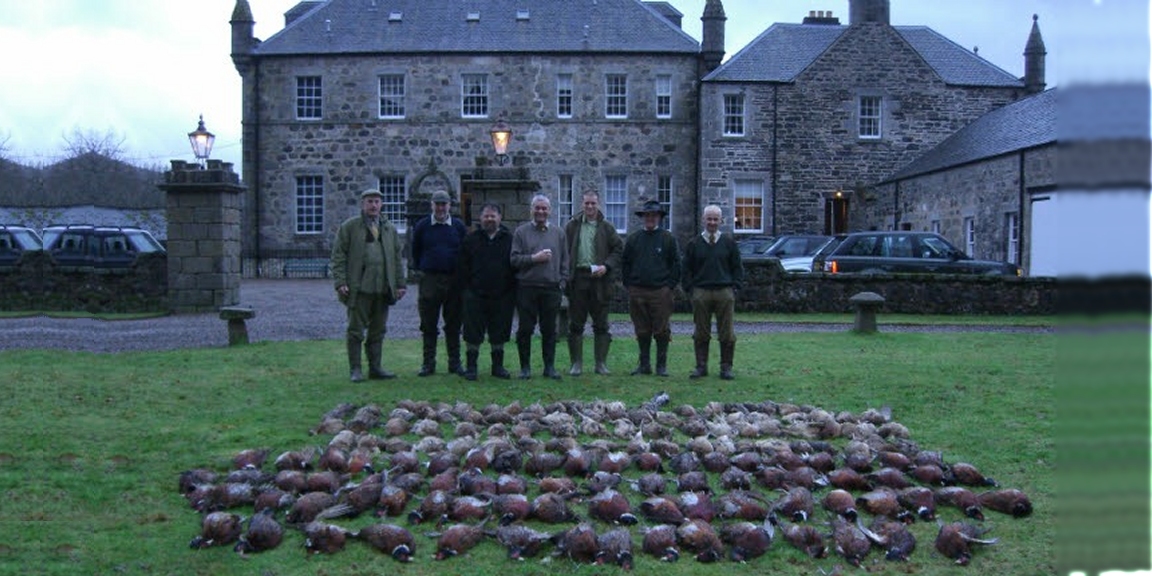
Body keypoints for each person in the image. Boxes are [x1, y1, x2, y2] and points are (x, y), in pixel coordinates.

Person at [331, 188, 407, 382]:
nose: (374, 205)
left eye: (377, 202)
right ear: (362, 204)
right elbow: (338, 256)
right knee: (355, 330)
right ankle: (355, 369)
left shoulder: (389, 229)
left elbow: (397, 258)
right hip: (359, 288)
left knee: (378, 330)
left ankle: (375, 368)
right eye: (370, 202)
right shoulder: (349, 227)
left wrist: (400, 283)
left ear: (381, 205)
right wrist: (340, 282)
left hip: (383, 288)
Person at [510, 194, 569, 380]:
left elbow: (565, 261)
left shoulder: (559, 233)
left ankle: (549, 367)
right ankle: (525, 368)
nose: (541, 211)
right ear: (532, 210)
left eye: (544, 208)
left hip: (551, 288)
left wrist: (562, 281)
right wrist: (534, 259)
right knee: (525, 329)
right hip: (527, 287)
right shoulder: (521, 232)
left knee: (549, 330)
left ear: (549, 211)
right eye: (537, 208)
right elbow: (514, 260)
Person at [564, 190, 624, 376]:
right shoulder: (572, 226)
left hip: (600, 281)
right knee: (576, 324)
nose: (590, 207)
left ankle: (600, 364)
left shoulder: (607, 227)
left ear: (598, 204)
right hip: (578, 279)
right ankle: (576, 364)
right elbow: (564, 251)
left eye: (593, 203)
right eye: (587, 203)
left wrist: (606, 267)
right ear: (582, 204)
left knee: (601, 324)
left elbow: (618, 250)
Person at [410, 189, 468, 377]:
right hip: (430, 279)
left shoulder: (458, 227)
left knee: (453, 324)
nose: (441, 208)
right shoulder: (422, 226)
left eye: (444, 204)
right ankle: (428, 363)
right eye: (438, 204)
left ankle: (455, 363)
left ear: (450, 206)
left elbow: (465, 252)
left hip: (454, 280)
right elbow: (415, 251)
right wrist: (425, 268)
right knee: (428, 324)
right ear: (432, 205)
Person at [682, 204, 744, 380]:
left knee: (727, 332)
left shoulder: (729, 243)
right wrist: (690, 289)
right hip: (701, 292)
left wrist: (735, 288)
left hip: (724, 292)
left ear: (721, 221)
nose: (712, 222)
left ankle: (726, 368)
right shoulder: (694, 244)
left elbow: (737, 268)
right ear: (703, 220)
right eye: (709, 218)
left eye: (715, 219)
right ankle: (701, 367)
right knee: (701, 331)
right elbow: (686, 269)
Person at [620, 200, 680, 377]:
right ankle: (644, 364)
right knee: (641, 329)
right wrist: (629, 285)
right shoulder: (633, 239)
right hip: (637, 290)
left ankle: (661, 365)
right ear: (643, 218)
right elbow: (625, 263)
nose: (650, 219)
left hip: (661, 291)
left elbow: (676, 264)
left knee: (661, 329)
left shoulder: (668, 239)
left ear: (659, 218)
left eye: (654, 215)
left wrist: (669, 286)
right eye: (647, 215)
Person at [457, 203, 516, 381]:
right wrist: (467, 291)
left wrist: (510, 292)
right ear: (480, 218)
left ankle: (497, 367)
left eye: (493, 216)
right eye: (486, 216)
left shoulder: (509, 240)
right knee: (472, 333)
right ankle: (471, 367)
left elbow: (514, 267)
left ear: (500, 218)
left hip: (502, 295)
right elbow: (462, 268)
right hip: (475, 295)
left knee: (499, 332)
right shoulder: (470, 239)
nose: (490, 219)